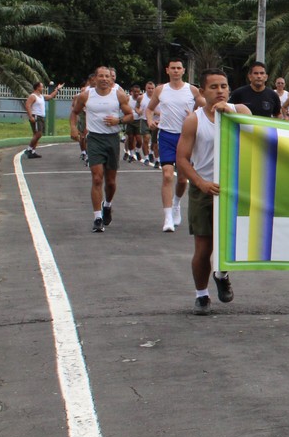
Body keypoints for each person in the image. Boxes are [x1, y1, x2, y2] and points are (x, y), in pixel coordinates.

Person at [176, 69, 250, 315]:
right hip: (205, 188)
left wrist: (229, 114)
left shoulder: (241, 111)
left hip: (235, 189)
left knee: (232, 244)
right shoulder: (194, 120)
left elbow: (257, 137)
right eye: (214, 87)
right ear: (203, 91)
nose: (220, 91)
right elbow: (183, 160)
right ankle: (201, 295)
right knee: (204, 248)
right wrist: (200, 183)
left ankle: (222, 273)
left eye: (224, 86)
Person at [69, 67, 135, 233]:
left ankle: (107, 205)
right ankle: (97, 218)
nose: (104, 79)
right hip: (95, 139)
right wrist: (73, 128)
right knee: (97, 178)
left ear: (111, 79)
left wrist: (118, 120)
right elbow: (74, 112)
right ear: (95, 78)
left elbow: (131, 116)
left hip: (112, 139)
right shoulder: (86, 95)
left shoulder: (118, 95)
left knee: (111, 182)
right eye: (101, 76)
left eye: (107, 76)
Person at [145, 58, 205, 232]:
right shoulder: (160, 90)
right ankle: (168, 217)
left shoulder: (191, 90)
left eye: (179, 68)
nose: (176, 71)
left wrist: (194, 115)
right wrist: (150, 120)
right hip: (166, 136)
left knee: (182, 179)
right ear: (167, 70)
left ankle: (176, 203)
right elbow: (149, 109)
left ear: (183, 70)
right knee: (167, 175)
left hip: (185, 137)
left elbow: (207, 107)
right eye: (173, 68)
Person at [24, 80, 61, 158]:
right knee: (38, 134)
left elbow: (51, 96)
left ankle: (32, 152)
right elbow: (27, 105)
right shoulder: (33, 96)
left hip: (41, 117)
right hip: (36, 116)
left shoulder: (41, 96)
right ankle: (29, 149)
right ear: (37, 87)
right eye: (41, 86)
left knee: (37, 135)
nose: (43, 88)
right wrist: (31, 116)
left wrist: (57, 89)